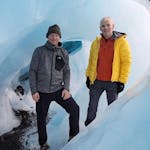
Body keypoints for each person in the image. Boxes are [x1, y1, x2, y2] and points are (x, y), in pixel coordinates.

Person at [29, 24, 79, 150]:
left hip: (58, 90)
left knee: (75, 109)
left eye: (56, 35)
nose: (54, 37)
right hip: (42, 92)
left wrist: (66, 89)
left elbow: (67, 71)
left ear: (59, 37)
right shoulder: (39, 51)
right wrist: (34, 91)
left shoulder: (63, 52)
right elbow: (32, 71)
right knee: (41, 118)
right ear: (47, 36)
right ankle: (43, 144)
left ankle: (74, 136)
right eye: (52, 35)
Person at [85, 17, 132, 126]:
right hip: (96, 82)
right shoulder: (96, 43)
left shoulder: (121, 42)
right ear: (100, 28)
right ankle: (87, 134)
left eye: (108, 25)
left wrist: (122, 81)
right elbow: (91, 61)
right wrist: (88, 76)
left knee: (112, 109)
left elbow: (126, 62)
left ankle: (111, 130)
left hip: (112, 82)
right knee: (92, 108)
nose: (105, 28)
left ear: (113, 26)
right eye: (103, 26)